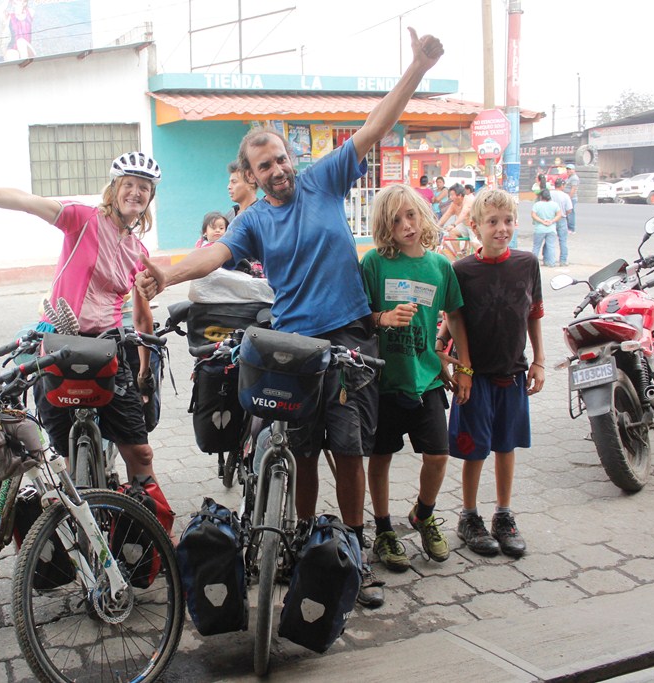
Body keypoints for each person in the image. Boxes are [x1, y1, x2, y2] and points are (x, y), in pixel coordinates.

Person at [136, 27, 445, 609]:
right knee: (302, 449)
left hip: (351, 337)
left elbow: (376, 126)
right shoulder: (254, 222)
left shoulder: (323, 179)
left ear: (290, 157)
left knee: (348, 446)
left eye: (280, 157)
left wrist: (418, 69)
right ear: (250, 177)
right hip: (294, 342)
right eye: (264, 165)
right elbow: (214, 254)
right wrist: (166, 274)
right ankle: (305, 539)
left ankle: (352, 551)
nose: (277, 168)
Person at [0, 152, 164, 486]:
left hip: (107, 347)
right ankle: (72, 524)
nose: (136, 192)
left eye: (144, 187)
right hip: (59, 343)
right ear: (115, 188)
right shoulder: (83, 219)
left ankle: (148, 526)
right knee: (63, 457)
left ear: (150, 196)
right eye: (129, 184)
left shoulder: (138, 251)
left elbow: (141, 317)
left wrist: (144, 371)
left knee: (141, 452)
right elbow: (25, 201)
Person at [359, 184, 472, 572]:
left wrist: (464, 367)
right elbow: (358, 317)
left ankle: (423, 514)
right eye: (395, 220)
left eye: (411, 215)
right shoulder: (373, 263)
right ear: (383, 227)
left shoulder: (440, 266)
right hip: (384, 382)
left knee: (438, 456)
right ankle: (384, 529)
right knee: (380, 458)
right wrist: (382, 319)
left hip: (427, 380)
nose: (406, 225)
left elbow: (456, 317)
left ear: (423, 215)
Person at [445, 189, 546, 559]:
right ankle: (469, 516)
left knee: (506, 445)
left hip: (513, 373)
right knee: (474, 449)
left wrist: (538, 361)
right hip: (476, 378)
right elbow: (454, 324)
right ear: (475, 227)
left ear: (515, 223)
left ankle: (504, 514)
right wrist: (463, 369)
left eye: (507, 221)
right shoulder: (461, 271)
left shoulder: (527, 263)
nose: (501, 229)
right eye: (492, 222)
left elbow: (534, 314)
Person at [437, 183, 477, 258]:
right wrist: (436, 226)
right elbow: (446, 215)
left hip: (474, 227)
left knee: (475, 244)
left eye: (452, 195)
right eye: (450, 195)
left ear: (459, 195)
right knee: (452, 232)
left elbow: (464, 213)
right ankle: (459, 255)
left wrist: (453, 225)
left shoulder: (468, 200)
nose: (450, 197)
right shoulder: (454, 204)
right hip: (465, 226)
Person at [530, 188, 560, 267]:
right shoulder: (554, 204)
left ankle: (533, 264)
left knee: (536, 247)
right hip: (551, 229)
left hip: (539, 229)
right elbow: (559, 215)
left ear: (541, 196)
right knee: (551, 246)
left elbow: (533, 215)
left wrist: (541, 221)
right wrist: (552, 221)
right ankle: (551, 263)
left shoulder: (537, 205)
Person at [551, 178, 573, 267]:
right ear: (562, 186)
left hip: (551, 219)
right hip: (562, 219)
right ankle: (563, 260)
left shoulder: (549, 194)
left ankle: (549, 259)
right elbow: (569, 210)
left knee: (550, 241)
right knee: (563, 241)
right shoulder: (565, 196)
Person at [565, 163, 580, 233]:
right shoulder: (569, 177)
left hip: (571, 198)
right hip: (567, 198)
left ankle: (571, 229)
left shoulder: (574, 178)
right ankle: (568, 228)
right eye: (567, 169)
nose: (568, 171)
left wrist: (569, 198)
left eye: (569, 169)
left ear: (573, 170)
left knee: (570, 213)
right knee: (567, 213)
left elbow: (573, 189)